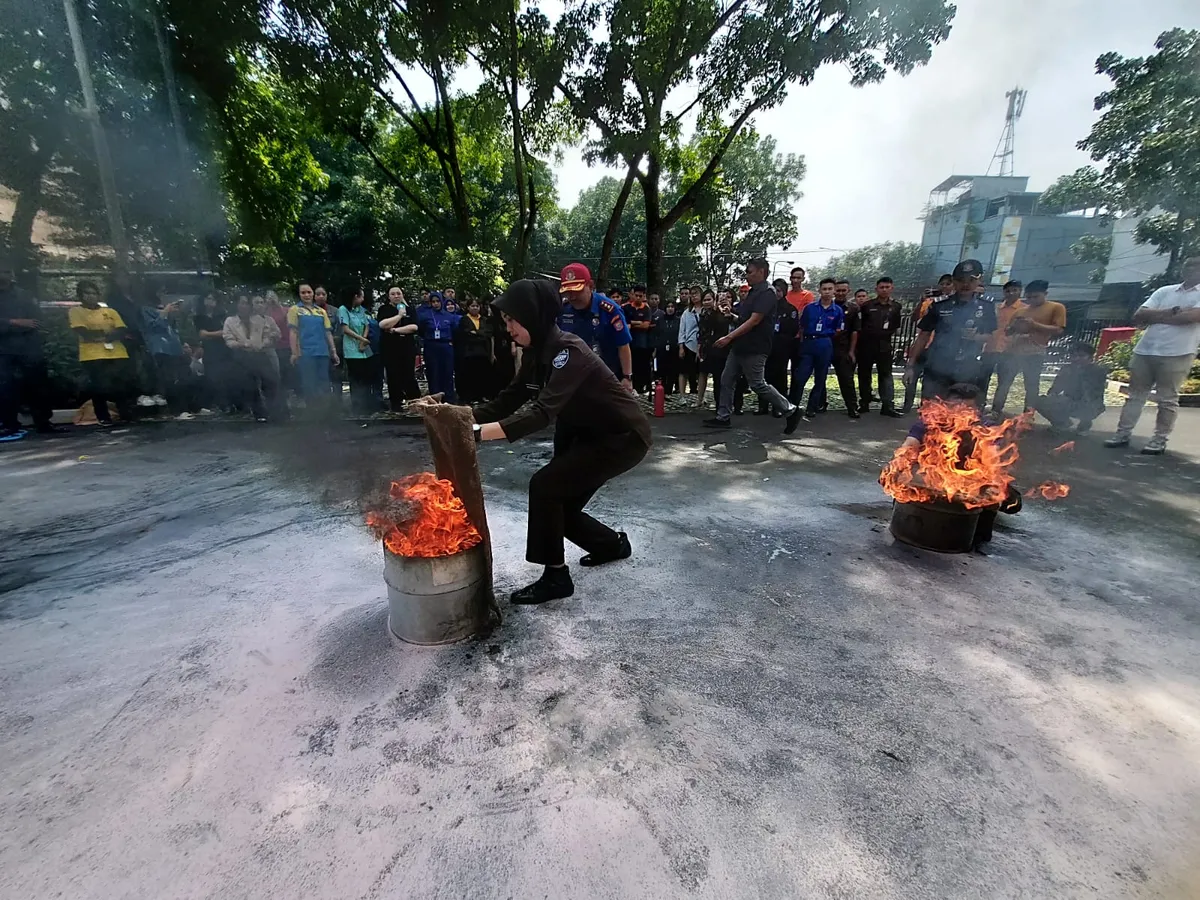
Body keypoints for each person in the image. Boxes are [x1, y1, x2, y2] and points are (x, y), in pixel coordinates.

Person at [460, 279, 650, 605]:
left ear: (533, 315)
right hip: (584, 431)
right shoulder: (536, 353)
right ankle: (612, 545)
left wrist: (476, 435)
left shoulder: (568, 351)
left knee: (546, 487)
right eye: (505, 322)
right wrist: (460, 416)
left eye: (512, 321)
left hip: (619, 436)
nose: (509, 330)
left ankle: (556, 577)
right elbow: (508, 400)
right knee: (559, 508)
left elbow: (541, 412)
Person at [897, 382, 1022, 550]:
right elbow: (909, 445)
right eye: (955, 407)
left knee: (1012, 501)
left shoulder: (988, 429)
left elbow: (993, 460)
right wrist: (896, 467)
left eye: (967, 410)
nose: (960, 415)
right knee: (906, 479)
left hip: (971, 482)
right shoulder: (931, 422)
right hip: (933, 479)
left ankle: (980, 528)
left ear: (979, 410)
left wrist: (992, 485)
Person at [1105, 256, 1200, 455]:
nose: (1190, 270)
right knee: (1135, 396)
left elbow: (1190, 318)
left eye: (1195, 267)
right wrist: (1172, 312)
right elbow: (1139, 315)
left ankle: (1159, 439)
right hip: (1146, 349)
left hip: (1178, 352)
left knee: (1167, 398)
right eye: (1188, 266)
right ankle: (1122, 434)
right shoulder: (1165, 291)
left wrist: (1157, 316)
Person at [703, 258, 803, 432]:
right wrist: (731, 316)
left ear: (761, 272)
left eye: (749, 271)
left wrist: (728, 337)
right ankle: (723, 416)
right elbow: (744, 319)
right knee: (726, 379)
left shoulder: (767, 293)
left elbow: (754, 321)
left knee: (757, 384)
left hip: (755, 347)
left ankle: (791, 410)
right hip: (740, 345)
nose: (746, 275)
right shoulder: (753, 292)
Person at [904, 260, 996, 404]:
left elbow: (991, 336)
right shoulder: (940, 305)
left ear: (979, 280)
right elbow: (923, 336)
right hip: (937, 368)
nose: (965, 284)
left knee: (962, 414)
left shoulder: (986, 306)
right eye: (960, 280)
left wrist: (976, 337)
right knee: (932, 411)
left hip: (967, 369)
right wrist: (910, 366)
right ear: (954, 281)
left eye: (971, 280)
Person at [0, 260, 58, 440]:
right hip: (3, 349)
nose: (4, 276)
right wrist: (13, 322)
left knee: (38, 386)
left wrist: (28, 325)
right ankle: (8, 425)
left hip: (29, 347)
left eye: (7, 271)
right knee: (6, 388)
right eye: (1, 272)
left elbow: (37, 319)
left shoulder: (23, 295)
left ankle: (43, 423)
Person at [991, 279, 1066, 415]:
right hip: (1012, 352)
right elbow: (1008, 331)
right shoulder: (1020, 311)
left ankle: (1027, 415)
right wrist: (1014, 328)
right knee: (1004, 383)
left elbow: (1058, 330)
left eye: (1035, 296)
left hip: (1035, 352)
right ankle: (996, 411)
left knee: (1031, 385)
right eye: (1029, 297)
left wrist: (1034, 325)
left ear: (1045, 294)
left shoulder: (1056, 307)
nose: (1031, 300)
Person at [66, 280, 134, 427]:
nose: (91, 296)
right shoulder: (76, 311)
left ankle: (126, 415)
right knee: (99, 387)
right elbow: (84, 333)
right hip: (92, 355)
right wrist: (108, 333)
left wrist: (102, 335)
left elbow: (122, 330)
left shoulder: (110, 311)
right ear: (81, 295)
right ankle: (103, 417)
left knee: (121, 386)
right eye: (87, 293)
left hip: (118, 353)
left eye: (94, 293)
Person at [556, 263, 634, 391]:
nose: (572, 296)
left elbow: (623, 345)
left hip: (606, 375)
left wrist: (627, 377)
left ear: (590, 286)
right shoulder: (563, 310)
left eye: (577, 291)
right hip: (573, 377)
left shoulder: (610, 310)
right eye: (568, 292)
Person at [790, 278, 845, 418]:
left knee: (820, 378)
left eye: (829, 289)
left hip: (825, 343)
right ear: (819, 290)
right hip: (809, 343)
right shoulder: (810, 308)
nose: (827, 292)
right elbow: (802, 326)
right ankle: (793, 407)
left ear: (834, 291)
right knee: (801, 376)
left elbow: (838, 330)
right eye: (824, 289)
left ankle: (812, 407)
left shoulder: (837, 310)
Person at [224, 294, 281, 422]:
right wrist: (243, 344)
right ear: (237, 305)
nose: (244, 306)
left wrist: (263, 344)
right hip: (241, 355)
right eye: (242, 303)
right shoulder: (230, 321)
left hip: (260, 353)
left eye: (247, 303)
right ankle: (259, 413)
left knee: (271, 381)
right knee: (250, 386)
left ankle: (277, 411)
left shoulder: (258, 319)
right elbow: (228, 339)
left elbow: (268, 335)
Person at [901, 274, 954, 414]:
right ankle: (907, 405)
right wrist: (922, 300)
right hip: (921, 347)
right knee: (911, 378)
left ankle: (925, 407)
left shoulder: (955, 306)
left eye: (948, 284)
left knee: (929, 382)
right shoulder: (931, 303)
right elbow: (914, 319)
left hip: (937, 350)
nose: (945, 286)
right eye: (942, 284)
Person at [857, 277, 903, 417]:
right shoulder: (867, 306)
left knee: (886, 376)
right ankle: (864, 403)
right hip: (866, 345)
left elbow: (896, 325)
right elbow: (860, 325)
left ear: (891, 288)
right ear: (876, 289)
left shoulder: (896, 306)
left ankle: (887, 405)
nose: (884, 290)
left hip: (884, 345)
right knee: (864, 375)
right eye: (881, 287)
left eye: (887, 287)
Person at [1036, 342, 1106, 433]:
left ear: (1090, 357)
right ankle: (1062, 423)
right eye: (1074, 356)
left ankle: (1085, 422)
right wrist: (1053, 398)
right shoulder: (1067, 369)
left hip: (1090, 404)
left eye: (1081, 356)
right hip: (1069, 401)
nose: (1076, 359)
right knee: (1038, 401)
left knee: (1088, 407)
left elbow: (1091, 393)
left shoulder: (1097, 371)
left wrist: (1078, 374)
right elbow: (1055, 389)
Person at [288, 282, 340, 405]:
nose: (306, 295)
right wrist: (294, 353)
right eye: (303, 292)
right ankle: (312, 411)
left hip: (322, 351)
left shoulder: (321, 311)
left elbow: (328, 333)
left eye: (309, 292)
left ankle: (325, 410)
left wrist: (333, 351)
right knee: (309, 383)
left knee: (324, 382)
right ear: (299, 294)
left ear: (313, 294)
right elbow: (293, 332)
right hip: (305, 352)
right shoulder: (295, 310)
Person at [140, 295, 192, 418]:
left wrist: (182, 345)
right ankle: (176, 411)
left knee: (182, 379)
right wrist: (164, 312)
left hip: (175, 351)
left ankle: (186, 409)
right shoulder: (146, 311)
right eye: (159, 307)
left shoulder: (170, 319)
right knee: (169, 381)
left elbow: (173, 332)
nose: (162, 309)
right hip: (161, 351)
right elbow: (153, 327)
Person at [977, 280, 1024, 408]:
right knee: (983, 379)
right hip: (990, 348)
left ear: (1020, 291)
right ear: (1004, 292)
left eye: (1015, 290)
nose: (1011, 293)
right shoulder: (997, 308)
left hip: (1010, 351)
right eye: (1008, 290)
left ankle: (996, 409)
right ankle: (979, 406)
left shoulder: (1024, 309)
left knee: (1004, 382)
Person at [758, 278, 799, 417]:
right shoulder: (766, 308)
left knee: (780, 377)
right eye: (775, 290)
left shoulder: (790, 309)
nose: (777, 293)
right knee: (763, 377)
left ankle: (779, 406)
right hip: (765, 346)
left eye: (779, 290)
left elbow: (792, 330)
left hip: (781, 348)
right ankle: (762, 405)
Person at [338, 287, 379, 415]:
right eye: (361, 296)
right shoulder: (343, 310)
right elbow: (345, 329)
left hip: (364, 349)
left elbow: (366, 325)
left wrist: (363, 341)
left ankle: (367, 406)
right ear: (355, 296)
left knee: (367, 378)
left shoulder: (362, 310)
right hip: (351, 350)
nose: (363, 299)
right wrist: (361, 339)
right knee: (356, 379)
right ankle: (357, 407)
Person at [377, 286, 420, 408]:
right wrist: (399, 316)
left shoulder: (410, 309)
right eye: (393, 294)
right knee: (393, 375)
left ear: (402, 295)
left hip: (407, 347)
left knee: (409, 375)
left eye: (398, 293)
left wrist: (395, 330)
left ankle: (415, 402)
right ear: (389, 296)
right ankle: (396, 403)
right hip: (390, 348)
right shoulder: (384, 309)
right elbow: (383, 324)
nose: (396, 296)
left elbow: (414, 327)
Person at [417, 291, 460, 402]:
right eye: (433, 301)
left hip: (446, 345)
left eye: (437, 301)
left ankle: (449, 398)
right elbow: (420, 330)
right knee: (433, 372)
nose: (436, 304)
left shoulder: (449, 316)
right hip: (431, 345)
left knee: (448, 372)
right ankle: (435, 398)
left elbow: (455, 330)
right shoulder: (425, 315)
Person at [194, 293, 233, 412]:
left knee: (225, 377)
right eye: (207, 298)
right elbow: (201, 334)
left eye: (212, 298)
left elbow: (226, 332)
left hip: (224, 350)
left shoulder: (222, 315)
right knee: (211, 377)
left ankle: (228, 404)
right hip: (209, 351)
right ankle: (218, 404)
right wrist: (216, 334)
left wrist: (209, 334)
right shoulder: (199, 317)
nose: (210, 301)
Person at [828, 278, 860, 418]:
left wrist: (852, 351)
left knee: (846, 379)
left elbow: (855, 331)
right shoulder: (827, 305)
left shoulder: (853, 309)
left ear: (848, 291)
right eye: (838, 290)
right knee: (820, 376)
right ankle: (820, 404)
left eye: (843, 290)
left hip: (843, 348)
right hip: (827, 345)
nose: (840, 293)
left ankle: (852, 407)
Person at [454, 297, 494, 404]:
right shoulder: (464, 320)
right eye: (472, 306)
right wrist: (478, 334)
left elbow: (487, 333)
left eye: (477, 306)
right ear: (468, 307)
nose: (475, 308)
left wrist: (476, 333)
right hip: (469, 352)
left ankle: (482, 395)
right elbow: (466, 333)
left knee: (482, 375)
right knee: (469, 375)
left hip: (483, 352)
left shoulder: (484, 320)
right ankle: (470, 397)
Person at [695, 290, 729, 410]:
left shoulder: (720, 313)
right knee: (703, 373)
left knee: (718, 378)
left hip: (719, 349)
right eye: (704, 300)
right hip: (706, 348)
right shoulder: (703, 314)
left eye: (709, 299)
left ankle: (721, 405)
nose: (707, 302)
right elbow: (701, 332)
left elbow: (722, 327)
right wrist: (699, 347)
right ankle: (702, 399)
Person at [623, 284, 655, 393]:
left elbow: (646, 325)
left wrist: (631, 324)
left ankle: (640, 387)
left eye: (640, 296)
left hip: (641, 343)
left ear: (644, 296)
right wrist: (637, 323)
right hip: (628, 342)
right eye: (636, 295)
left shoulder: (646, 309)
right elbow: (624, 323)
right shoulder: (626, 307)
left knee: (641, 366)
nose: (638, 298)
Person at [677, 290, 701, 396]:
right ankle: (682, 395)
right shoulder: (687, 312)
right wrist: (681, 347)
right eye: (692, 294)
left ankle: (700, 395)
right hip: (688, 344)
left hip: (702, 345)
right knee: (683, 371)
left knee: (701, 372)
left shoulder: (707, 311)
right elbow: (682, 330)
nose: (694, 296)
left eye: (696, 294)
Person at [653, 296, 678, 394]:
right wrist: (655, 349)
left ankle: (669, 390)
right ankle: (661, 390)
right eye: (668, 307)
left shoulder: (678, 320)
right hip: (661, 348)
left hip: (674, 348)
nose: (670, 309)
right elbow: (656, 334)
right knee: (661, 370)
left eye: (672, 307)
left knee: (672, 370)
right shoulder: (660, 320)